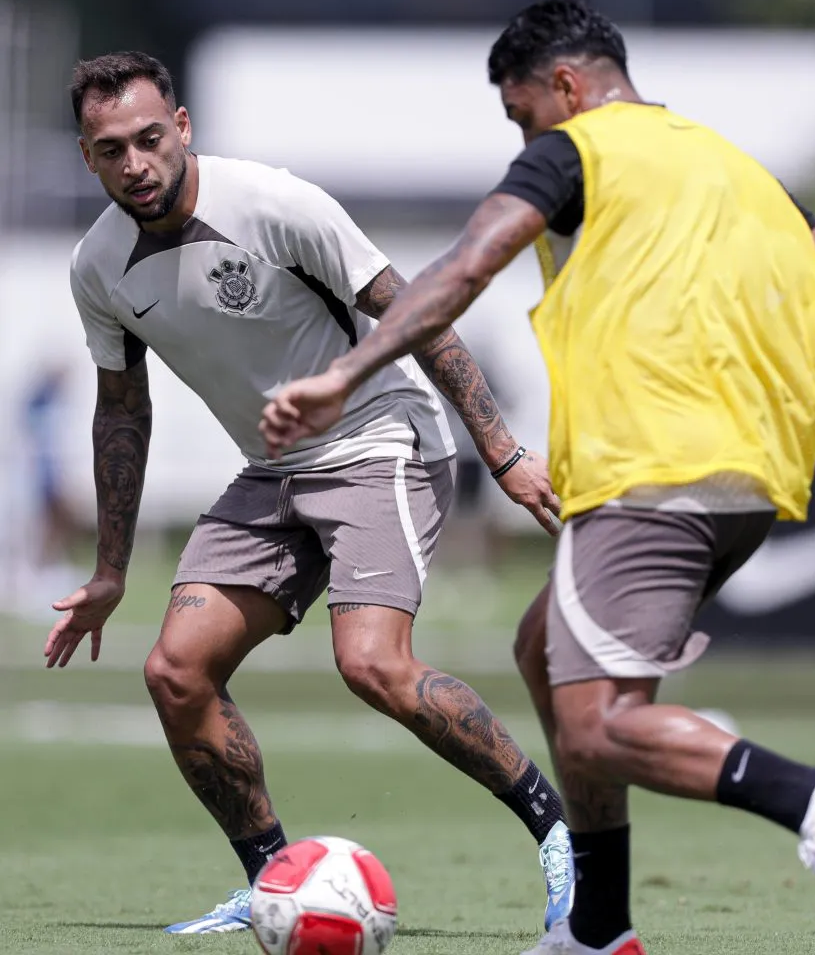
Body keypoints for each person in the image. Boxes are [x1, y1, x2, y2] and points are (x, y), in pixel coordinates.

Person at [259, 0, 815, 955]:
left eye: (520, 113)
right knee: (542, 650)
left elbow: (462, 267)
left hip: (650, 473)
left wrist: (341, 374)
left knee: (596, 730)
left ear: (564, 87)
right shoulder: (746, 173)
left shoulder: (577, 150)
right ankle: (600, 929)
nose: (522, 135)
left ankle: (809, 797)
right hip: (752, 482)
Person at [47, 50, 575, 935]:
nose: (134, 164)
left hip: (382, 444)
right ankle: (271, 880)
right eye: (110, 150)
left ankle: (561, 835)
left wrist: (503, 450)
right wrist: (108, 573)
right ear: (87, 157)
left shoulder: (276, 204)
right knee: (176, 672)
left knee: (372, 663)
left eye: (147, 139)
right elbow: (121, 416)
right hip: (271, 471)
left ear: (181, 128)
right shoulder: (96, 266)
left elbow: (417, 315)